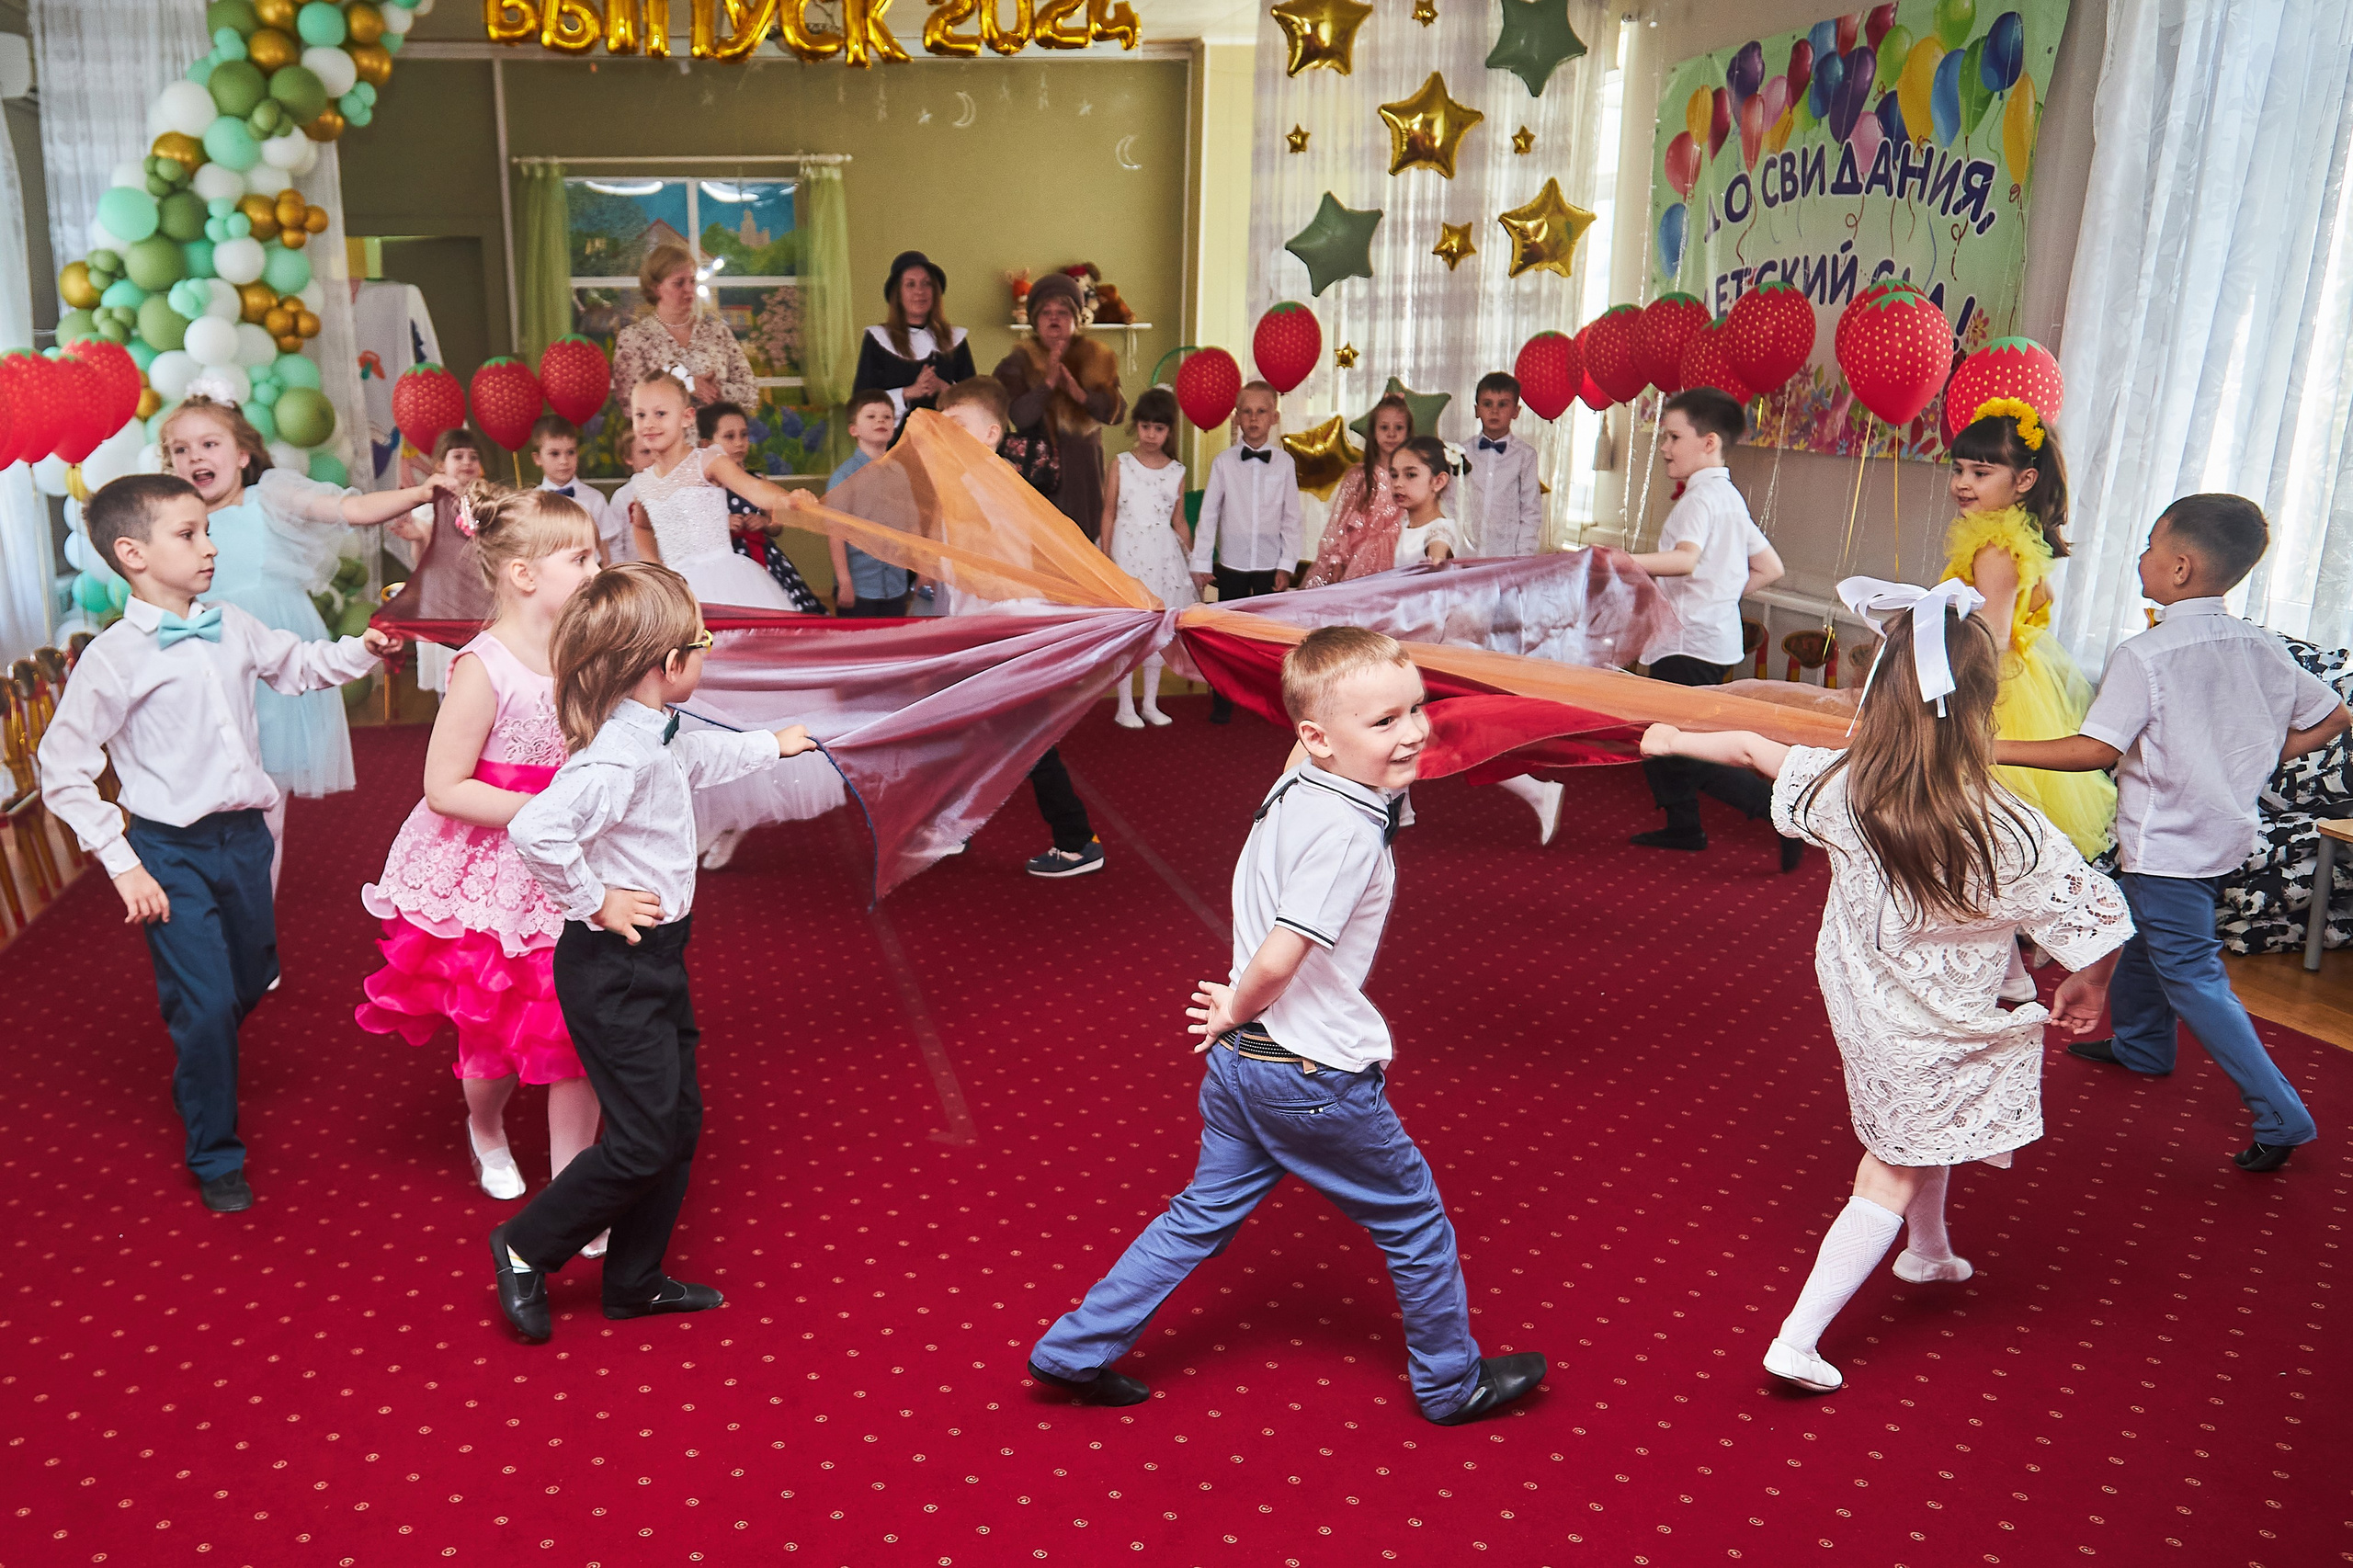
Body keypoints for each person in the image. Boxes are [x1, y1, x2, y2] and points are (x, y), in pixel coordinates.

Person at [1028, 627, 1548, 1424]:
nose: (1412, 731)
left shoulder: (1301, 782)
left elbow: (1360, 746)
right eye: (1384, 722)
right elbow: (1278, 957)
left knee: (1198, 1215)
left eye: (1418, 708)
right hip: (1311, 1075)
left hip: (1242, 1070)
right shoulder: (1344, 834)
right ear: (1317, 737)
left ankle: (1072, 1350)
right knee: (1416, 1223)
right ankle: (1451, 1384)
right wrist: (1237, 1000)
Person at [1642, 578, 2134, 1393]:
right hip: (1940, 1017)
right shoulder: (2005, 826)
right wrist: (2090, 986)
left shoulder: (1845, 784)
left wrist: (1667, 736)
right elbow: (2100, 913)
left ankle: (1928, 1252)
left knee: (1918, 1127)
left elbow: (1751, 752)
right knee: (1894, 1161)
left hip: (1865, 1002)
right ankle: (1797, 1339)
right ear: (1983, 709)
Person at [39, 473, 403, 1212]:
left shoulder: (230, 623)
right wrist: (124, 863)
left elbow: (298, 668)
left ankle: (201, 1038)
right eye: (189, 535)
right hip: (169, 850)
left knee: (249, 978)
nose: (209, 548)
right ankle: (215, 1152)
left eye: (207, 532)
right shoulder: (113, 658)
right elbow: (62, 768)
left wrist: (361, 648)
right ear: (132, 553)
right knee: (205, 1008)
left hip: (245, 839)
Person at [490, 563, 821, 1342]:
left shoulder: (656, 738)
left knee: (676, 1122)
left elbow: (695, 764)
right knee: (643, 1140)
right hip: (614, 968)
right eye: (702, 644)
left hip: (656, 958)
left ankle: (633, 1281)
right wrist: (594, 900)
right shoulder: (617, 757)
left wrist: (772, 747)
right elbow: (537, 830)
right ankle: (525, 1246)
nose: (707, 655)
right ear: (667, 665)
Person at [1998, 495, 2351, 1173]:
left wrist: (1991, 748)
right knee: (2134, 926)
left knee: (2192, 974)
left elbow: (2095, 751)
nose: (2141, 556)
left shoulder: (2147, 654)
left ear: (2181, 567)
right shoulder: (2260, 644)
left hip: (2167, 848)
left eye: (2150, 544)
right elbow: (2335, 715)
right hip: (2220, 835)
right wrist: (2258, 756)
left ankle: (2283, 1113)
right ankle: (2142, 1044)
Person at [356, 483, 606, 1223]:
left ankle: (575, 1189)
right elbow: (444, 788)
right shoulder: (483, 666)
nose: (598, 568)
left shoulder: (590, 652)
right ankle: (487, 1127)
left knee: (576, 1025)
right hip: (494, 868)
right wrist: (545, 809)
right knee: (492, 1032)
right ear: (525, 574)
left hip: (573, 861)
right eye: (582, 557)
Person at [158, 395, 449, 817]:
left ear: (242, 455)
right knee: (212, 784)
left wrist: (418, 494)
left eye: (209, 444)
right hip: (207, 651)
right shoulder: (172, 520)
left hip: (272, 647)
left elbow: (349, 508)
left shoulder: (268, 499)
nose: (194, 457)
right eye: (180, 449)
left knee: (267, 788)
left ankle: (262, 879)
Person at [1625, 387, 1802, 871]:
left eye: (1672, 436)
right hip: (1709, 639)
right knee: (1661, 739)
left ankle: (1779, 813)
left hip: (1688, 643)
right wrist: (1721, 598)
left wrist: (1618, 561)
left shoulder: (1702, 500)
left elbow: (1685, 561)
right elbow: (1770, 567)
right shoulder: (1727, 497)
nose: (1663, 447)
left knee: (1679, 747)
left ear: (1708, 443)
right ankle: (1684, 826)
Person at [936, 376, 1104, 879]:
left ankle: (1075, 838)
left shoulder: (991, 484)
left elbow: (1001, 563)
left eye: (956, 425)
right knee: (977, 732)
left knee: (1021, 740)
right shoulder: (969, 482)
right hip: (979, 626)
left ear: (990, 433)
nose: (945, 434)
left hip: (1001, 630)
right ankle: (956, 826)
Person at [1938, 401, 2117, 863]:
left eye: (1980, 472)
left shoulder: (1996, 546)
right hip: (2012, 676)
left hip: (1989, 685)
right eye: (1958, 469)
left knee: (1978, 819)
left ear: (2024, 481)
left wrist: (1964, 704)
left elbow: (1993, 635)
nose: (1962, 483)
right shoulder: (2009, 536)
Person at [1392, 437, 1561, 845]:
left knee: (1449, 734)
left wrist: (1435, 558)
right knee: (1408, 728)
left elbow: (1440, 550)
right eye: (1394, 474)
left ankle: (1537, 790)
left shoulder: (1440, 527)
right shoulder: (1404, 524)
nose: (1398, 482)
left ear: (1439, 481)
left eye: (1410, 474)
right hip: (1410, 644)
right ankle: (1400, 807)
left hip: (1435, 649)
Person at [625, 373, 819, 613]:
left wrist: (786, 499)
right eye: (640, 415)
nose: (649, 423)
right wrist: (654, 567)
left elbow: (754, 488)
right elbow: (641, 526)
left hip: (723, 579)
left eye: (660, 414)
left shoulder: (707, 462)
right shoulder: (643, 482)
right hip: (676, 587)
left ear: (686, 418)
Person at [1188, 381, 1300, 724]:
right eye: (1247, 412)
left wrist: (1287, 563)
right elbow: (1209, 514)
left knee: (1267, 636)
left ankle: (1267, 700)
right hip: (1232, 565)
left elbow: (1292, 517)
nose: (1254, 418)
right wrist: (1201, 562)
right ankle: (1224, 700)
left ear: (1274, 417)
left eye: (1261, 411)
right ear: (1236, 418)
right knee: (1227, 634)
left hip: (1269, 565)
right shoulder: (1223, 463)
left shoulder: (1284, 463)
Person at [994, 271, 1125, 542]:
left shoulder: (1097, 357)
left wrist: (1080, 395)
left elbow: (1117, 413)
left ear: (1077, 319)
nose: (1054, 318)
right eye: (1046, 312)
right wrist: (1048, 384)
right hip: (1039, 477)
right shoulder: (1017, 363)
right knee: (1043, 554)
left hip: (1085, 475)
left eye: (1063, 312)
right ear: (1034, 320)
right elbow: (1019, 416)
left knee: (1085, 554)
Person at [1099, 384, 1197, 727]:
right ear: (1135, 425)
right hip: (1126, 552)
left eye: (1159, 428)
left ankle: (1151, 703)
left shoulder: (1177, 472)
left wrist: (1195, 561)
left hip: (1162, 555)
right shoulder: (1122, 464)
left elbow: (1179, 521)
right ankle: (1125, 705)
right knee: (1129, 630)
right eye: (1145, 426)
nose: (1151, 434)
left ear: (1169, 430)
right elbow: (1109, 512)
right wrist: (1107, 557)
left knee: (1158, 626)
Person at [697, 400, 825, 615]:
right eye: (729, 436)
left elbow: (776, 527)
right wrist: (722, 524)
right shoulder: (703, 486)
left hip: (765, 559)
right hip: (727, 565)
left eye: (744, 435)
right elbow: (694, 527)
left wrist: (765, 523)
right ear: (705, 445)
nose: (739, 443)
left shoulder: (757, 478)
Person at [609, 240, 756, 414]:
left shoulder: (718, 333)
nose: (689, 289)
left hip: (718, 439)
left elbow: (751, 395)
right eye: (679, 283)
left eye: (692, 281)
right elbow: (630, 403)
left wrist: (717, 391)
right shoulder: (634, 338)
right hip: (664, 440)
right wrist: (686, 385)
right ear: (656, 288)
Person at [400, 427, 492, 698]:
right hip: (443, 598)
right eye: (458, 456)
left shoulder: (486, 505)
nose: (467, 462)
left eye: (473, 457)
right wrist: (420, 538)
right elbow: (419, 562)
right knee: (448, 674)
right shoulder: (427, 507)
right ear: (440, 464)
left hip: (478, 594)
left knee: (481, 669)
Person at [853, 249, 975, 432]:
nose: (920, 291)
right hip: (893, 442)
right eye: (910, 284)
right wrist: (909, 392)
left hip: (945, 439)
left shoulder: (955, 339)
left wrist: (943, 387)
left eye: (927, 284)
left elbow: (975, 399)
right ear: (898, 295)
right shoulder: (878, 339)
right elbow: (861, 401)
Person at [1301, 393, 1413, 588]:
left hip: (1403, 558)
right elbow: (1341, 523)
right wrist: (1336, 559)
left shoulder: (1414, 476)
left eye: (1399, 428)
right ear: (1373, 432)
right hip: (1361, 560)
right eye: (1384, 427)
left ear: (1408, 432)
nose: (1391, 434)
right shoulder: (1360, 477)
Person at [826, 390, 914, 618]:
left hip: (896, 583)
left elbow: (911, 523)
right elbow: (836, 533)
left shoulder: (899, 471)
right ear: (853, 429)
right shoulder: (844, 475)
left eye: (887, 417)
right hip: (859, 585)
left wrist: (921, 569)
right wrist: (844, 581)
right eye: (871, 416)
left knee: (892, 646)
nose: (880, 421)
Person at [1463, 371, 1543, 559]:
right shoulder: (1461, 452)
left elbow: (1531, 509)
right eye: (1487, 404)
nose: (1494, 411)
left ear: (1516, 411)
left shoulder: (1526, 456)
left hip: (1506, 553)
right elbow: (1452, 502)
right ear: (1477, 410)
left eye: (1503, 404)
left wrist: (1524, 556)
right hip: (1466, 552)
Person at [531, 414, 616, 559]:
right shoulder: (531, 502)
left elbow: (604, 547)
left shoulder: (595, 499)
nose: (564, 461)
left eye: (570, 452)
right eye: (554, 454)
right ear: (538, 458)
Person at [603, 432, 654, 564]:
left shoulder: (675, 489)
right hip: (636, 572)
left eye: (657, 450)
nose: (654, 456)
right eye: (646, 452)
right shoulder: (622, 497)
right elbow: (615, 544)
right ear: (628, 458)